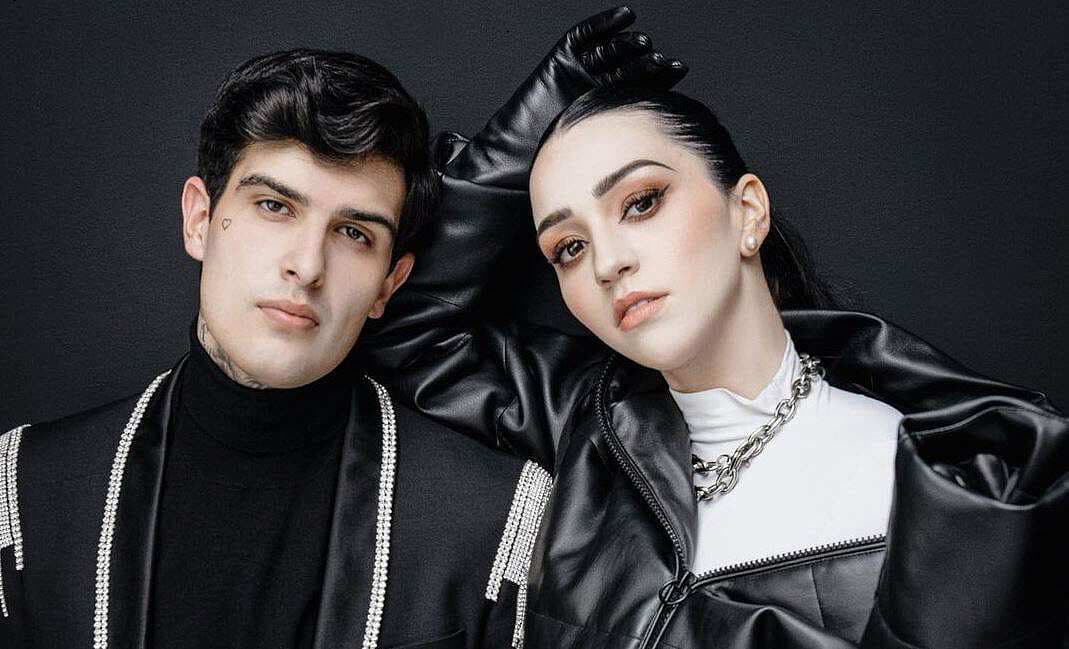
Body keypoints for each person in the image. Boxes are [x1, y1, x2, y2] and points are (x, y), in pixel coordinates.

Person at [0, 13, 683, 646]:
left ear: (391, 281)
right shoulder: (27, 491)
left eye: (354, 233)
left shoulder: (496, 519)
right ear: (200, 220)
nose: (306, 265)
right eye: (274, 206)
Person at [364, 71, 1069, 649]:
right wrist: (527, 135)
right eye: (569, 247)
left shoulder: (943, 492)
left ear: (747, 212)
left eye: (641, 202)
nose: (608, 262)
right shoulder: (590, 423)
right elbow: (404, 323)